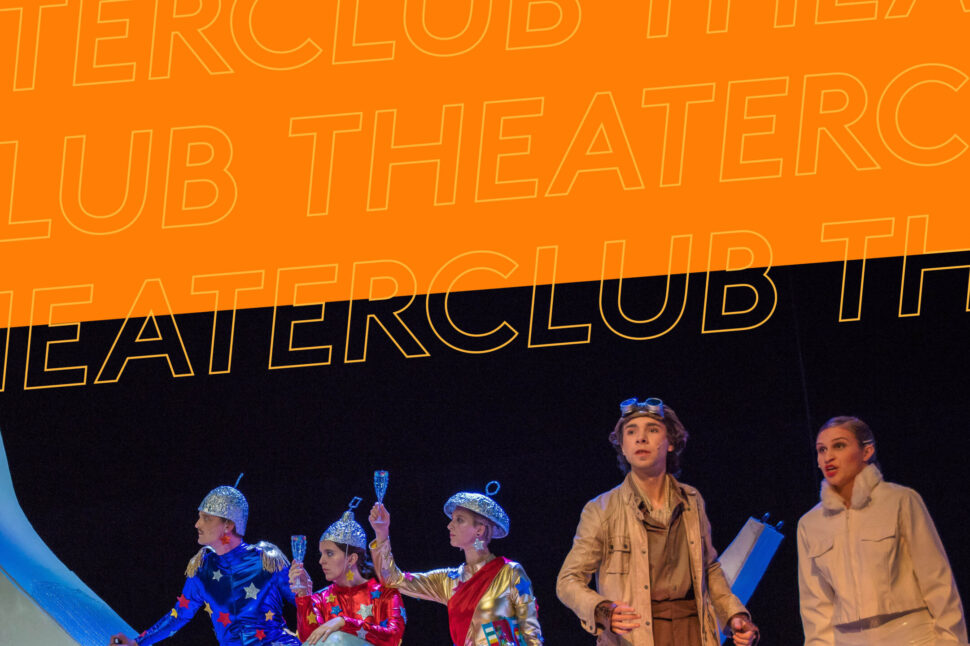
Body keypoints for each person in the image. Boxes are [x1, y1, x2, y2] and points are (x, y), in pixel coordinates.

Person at [557, 397, 758, 646]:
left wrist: (734, 614)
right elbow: (568, 580)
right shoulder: (601, 509)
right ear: (622, 446)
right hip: (635, 636)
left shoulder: (692, 500)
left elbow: (709, 569)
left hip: (692, 633)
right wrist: (602, 610)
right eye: (631, 432)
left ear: (671, 442)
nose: (641, 438)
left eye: (652, 430)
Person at [798, 416, 967, 645]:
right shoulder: (810, 524)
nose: (828, 457)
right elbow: (815, 608)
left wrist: (952, 641)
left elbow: (938, 582)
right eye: (821, 450)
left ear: (866, 451)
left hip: (913, 637)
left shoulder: (900, 501)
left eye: (839, 445)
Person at [108, 484, 300, 646]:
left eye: (206, 518)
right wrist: (137, 642)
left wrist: (319, 625)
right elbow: (179, 615)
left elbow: (307, 603)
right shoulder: (202, 569)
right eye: (199, 516)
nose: (197, 524)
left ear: (228, 525)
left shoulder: (266, 560)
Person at [367, 482, 543, 646]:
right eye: (452, 519)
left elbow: (531, 633)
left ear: (479, 530)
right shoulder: (448, 580)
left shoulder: (510, 572)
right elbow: (392, 580)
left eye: (459, 519)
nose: (450, 526)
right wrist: (381, 533)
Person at [288, 498, 405, 645]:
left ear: (351, 559)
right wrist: (304, 596)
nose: (321, 561)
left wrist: (343, 622)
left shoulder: (386, 594)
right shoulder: (320, 599)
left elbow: (393, 637)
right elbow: (309, 641)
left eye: (329, 553)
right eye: (321, 554)